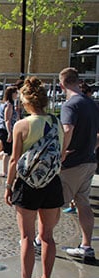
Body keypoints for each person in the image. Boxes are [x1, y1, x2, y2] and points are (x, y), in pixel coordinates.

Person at [4, 76, 64, 278]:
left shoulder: (22, 125)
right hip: (52, 183)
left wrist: (8, 186)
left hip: (27, 185)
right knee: (47, 235)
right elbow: (61, 154)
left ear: (25, 102)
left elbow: (13, 160)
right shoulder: (57, 123)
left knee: (27, 236)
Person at [59, 68, 99, 261]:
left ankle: (41, 241)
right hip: (89, 161)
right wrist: (91, 148)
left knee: (52, 204)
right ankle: (86, 246)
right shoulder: (92, 104)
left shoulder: (70, 105)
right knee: (83, 203)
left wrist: (62, 154)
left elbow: (67, 129)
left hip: (72, 163)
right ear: (78, 81)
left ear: (61, 84)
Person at [0, 86, 20, 177]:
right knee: (7, 152)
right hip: (5, 129)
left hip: (4, 129)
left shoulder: (8, 104)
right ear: (12, 94)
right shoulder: (9, 105)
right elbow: (7, 120)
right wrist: (10, 132)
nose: (17, 95)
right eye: (16, 93)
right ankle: (5, 172)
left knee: (8, 150)